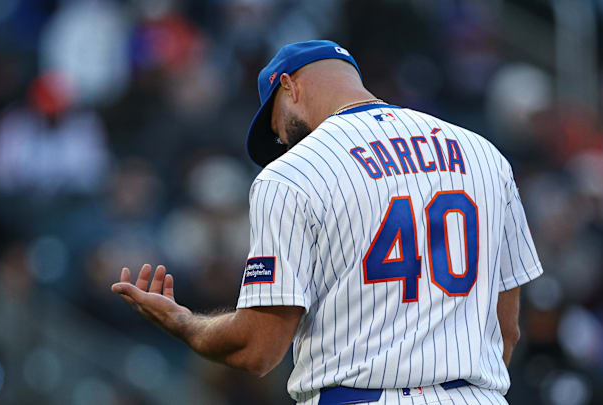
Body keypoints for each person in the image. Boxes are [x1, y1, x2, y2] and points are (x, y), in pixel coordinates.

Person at [111, 40, 543, 405]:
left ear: (289, 86)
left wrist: (184, 323)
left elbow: (259, 349)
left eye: (274, 123)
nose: (280, 140)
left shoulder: (291, 174)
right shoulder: (484, 155)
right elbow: (506, 331)